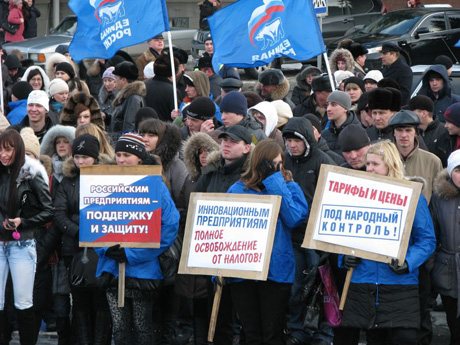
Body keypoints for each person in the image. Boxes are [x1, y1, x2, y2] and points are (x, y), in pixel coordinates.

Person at [340, 140, 435, 345]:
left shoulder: (411, 196)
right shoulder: (356, 197)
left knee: (405, 338)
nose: (369, 169)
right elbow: (344, 234)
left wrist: (408, 261)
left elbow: (427, 240)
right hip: (364, 283)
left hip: (399, 284)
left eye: (375, 164)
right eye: (368, 164)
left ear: (390, 165)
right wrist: (344, 257)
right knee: (375, 339)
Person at [96, 133, 179, 345]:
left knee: (143, 327)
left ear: (140, 158)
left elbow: (168, 227)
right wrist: (105, 249)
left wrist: (133, 253)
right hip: (112, 268)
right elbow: (94, 222)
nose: (121, 159)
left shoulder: (156, 187)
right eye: (119, 154)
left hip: (143, 270)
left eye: (127, 155)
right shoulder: (105, 184)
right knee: (120, 329)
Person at [226, 139, 308, 345]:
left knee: (273, 334)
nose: (276, 168)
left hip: (276, 270)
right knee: (251, 333)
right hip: (242, 270)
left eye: (278, 163)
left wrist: (273, 180)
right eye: (270, 164)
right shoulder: (237, 190)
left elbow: (295, 217)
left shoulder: (290, 187)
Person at [282, 117, 336, 345]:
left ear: (307, 140)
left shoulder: (324, 161)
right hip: (292, 236)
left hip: (317, 237)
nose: (292, 145)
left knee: (322, 288)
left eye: (296, 140)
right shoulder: (284, 161)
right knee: (295, 288)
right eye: (288, 141)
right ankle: (295, 329)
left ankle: (324, 334)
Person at [54, 133, 113, 345]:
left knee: (100, 302)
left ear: (95, 157)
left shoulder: (107, 179)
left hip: (101, 251)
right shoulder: (68, 181)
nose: (80, 162)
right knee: (79, 302)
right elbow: (59, 213)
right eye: (77, 157)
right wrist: (80, 231)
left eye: (85, 157)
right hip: (74, 250)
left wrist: (86, 225)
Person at [0, 129, 54, 344]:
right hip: (0, 242)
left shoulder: (30, 173)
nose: (3, 154)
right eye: (0, 150)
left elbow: (49, 210)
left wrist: (24, 221)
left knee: (23, 303)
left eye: (8, 149)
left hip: (22, 243)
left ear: (17, 149)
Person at [430, 150, 460, 345]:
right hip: (448, 272)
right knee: (455, 328)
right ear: (450, 172)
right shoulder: (440, 198)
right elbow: (431, 236)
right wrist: (432, 269)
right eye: (458, 170)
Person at [138, 119, 188, 205]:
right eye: (142, 135)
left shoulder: (176, 165)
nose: (145, 139)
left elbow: (181, 201)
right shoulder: (133, 160)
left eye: (151, 135)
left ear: (162, 138)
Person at [408, 95, 450, 167]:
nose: (409, 116)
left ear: (424, 113)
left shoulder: (444, 131)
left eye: (412, 113)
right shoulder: (412, 132)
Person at [110, 62, 146, 142]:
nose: (115, 81)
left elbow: (130, 125)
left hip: (122, 143)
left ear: (124, 80)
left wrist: (124, 144)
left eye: (116, 78)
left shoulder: (133, 98)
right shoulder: (125, 96)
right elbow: (119, 120)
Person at [40, 125, 75, 199]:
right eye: (58, 142)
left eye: (66, 142)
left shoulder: (78, 169)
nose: (61, 145)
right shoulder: (46, 170)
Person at [144, 54, 181, 123]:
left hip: (143, 129)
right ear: (174, 71)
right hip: (164, 130)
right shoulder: (172, 91)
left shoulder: (143, 87)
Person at [322, 90, 360, 155]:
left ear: (345, 108)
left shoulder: (359, 132)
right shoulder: (325, 134)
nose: (328, 109)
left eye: (333, 105)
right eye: (327, 105)